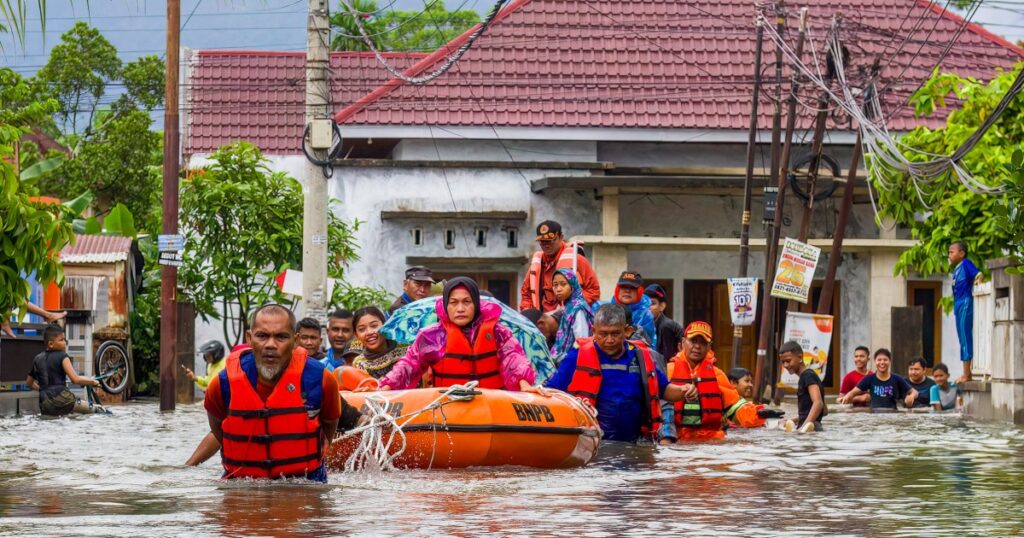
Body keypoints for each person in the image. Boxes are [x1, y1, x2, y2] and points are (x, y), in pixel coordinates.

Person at [202, 304, 354, 481]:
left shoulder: (321, 380)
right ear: (249, 338)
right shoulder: (222, 384)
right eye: (262, 336)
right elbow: (218, 427)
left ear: (295, 341)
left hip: (305, 480)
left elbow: (329, 424)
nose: (271, 345)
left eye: (281, 337)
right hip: (242, 482)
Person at [546, 304, 689, 443]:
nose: (609, 340)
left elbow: (666, 390)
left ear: (627, 331)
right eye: (603, 334)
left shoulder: (640, 358)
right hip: (592, 444)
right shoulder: (577, 356)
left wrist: (684, 390)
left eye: (615, 333)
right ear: (594, 331)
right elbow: (551, 391)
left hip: (635, 444)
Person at [379, 277, 537, 391]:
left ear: (475, 304)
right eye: (454, 302)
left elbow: (513, 358)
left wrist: (524, 383)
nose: (460, 308)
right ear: (446, 305)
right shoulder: (431, 336)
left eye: (466, 302)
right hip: (449, 405)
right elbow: (409, 364)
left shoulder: (497, 331)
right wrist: (387, 385)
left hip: (493, 405)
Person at [661, 321, 778, 442]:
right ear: (683, 342)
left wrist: (760, 413)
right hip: (676, 440)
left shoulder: (717, 375)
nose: (697, 346)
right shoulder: (667, 371)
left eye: (703, 342)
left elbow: (736, 409)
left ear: (709, 347)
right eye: (693, 341)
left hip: (711, 441)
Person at [520, 220, 600, 312]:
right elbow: (526, 294)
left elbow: (593, 291)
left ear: (561, 237)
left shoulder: (576, 258)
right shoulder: (537, 263)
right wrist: (529, 312)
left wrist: (572, 306)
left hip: (569, 318)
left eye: (550, 241)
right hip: (543, 322)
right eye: (542, 242)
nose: (546, 245)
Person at [25, 323, 101, 416]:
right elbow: (75, 379)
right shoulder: (62, 356)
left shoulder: (37, 358)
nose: (65, 342)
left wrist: (43, 390)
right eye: (61, 340)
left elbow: (29, 383)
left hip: (45, 404)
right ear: (51, 344)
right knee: (98, 410)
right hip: (64, 400)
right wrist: (93, 382)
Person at [837, 348, 918, 411]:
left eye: (885, 360)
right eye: (879, 360)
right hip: (874, 415)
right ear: (875, 361)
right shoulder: (869, 379)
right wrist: (848, 396)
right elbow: (853, 392)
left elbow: (915, 392)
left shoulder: (897, 379)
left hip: (892, 414)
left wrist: (911, 397)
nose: (882, 362)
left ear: (890, 361)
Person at [596, 271, 657, 348]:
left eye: (632, 288)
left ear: (640, 291)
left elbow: (647, 345)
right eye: (623, 287)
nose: (627, 291)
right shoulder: (602, 310)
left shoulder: (646, 316)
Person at [949, 241, 981, 383]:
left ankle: (966, 374)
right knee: (962, 338)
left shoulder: (966, 263)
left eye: (952, 252)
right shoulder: (956, 269)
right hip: (958, 305)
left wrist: (978, 281)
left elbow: (978, 274)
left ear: (961, 253)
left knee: (965, 338)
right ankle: (966, 372)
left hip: (965, 303)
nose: (949, 255)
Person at [350, 306, 409, 380]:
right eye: (362, 329)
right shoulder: (359, 363)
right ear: (356, 335)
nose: (369, 332)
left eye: (374, 326)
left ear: (385, 325)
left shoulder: (407, 349)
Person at [780, 340, 826, 432]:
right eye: (783, 362)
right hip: (814, 428)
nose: (785, 365)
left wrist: (803, 429)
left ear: (800, 357)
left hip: (811, 430)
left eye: (788, 361)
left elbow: (818, 403)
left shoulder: (807, 376)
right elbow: (824, 410)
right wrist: (792, 420)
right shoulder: (808, 376)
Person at [549, 268, 594, 359]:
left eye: (563, 284)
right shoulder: (568, 306)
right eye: (555, 285)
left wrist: (568, 359)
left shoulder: (578, 309)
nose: (558, 289)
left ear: (572, 285)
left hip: (573, 360)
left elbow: (582, 340)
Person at [645, 283, 684, 362]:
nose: (648, 307)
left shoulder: (666, 327)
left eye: (652, 303)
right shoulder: (643, 324)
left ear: (662, 306)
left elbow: (665, 359)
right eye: (645, 303)